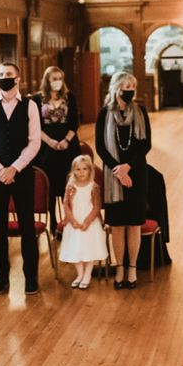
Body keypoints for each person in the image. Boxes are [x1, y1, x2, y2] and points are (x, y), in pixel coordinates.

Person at [0, 61, 41, 296]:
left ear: (18, 78)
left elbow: (35, 142)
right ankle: (2, 276)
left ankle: (31, 277)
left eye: (9, 74)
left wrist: (14, 168)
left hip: (22, 174)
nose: (4, 78)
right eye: (1, 74)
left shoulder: (31, 106)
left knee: (27, 225)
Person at [95, 72, 151, 289]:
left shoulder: (141, 111)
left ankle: (132, 268)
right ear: (115, 88)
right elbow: (101, 147)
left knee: (134, 224)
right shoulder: (104, 114)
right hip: (113, 175)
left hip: (136, 173)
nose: (129, 90)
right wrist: (119, 171)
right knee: (117, 225)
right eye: (125, 86)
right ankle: (119, 268)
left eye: (132, 86)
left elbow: (146, 144)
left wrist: (128, 167)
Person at [33, 66, 80, 234]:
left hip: (68, 145)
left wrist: (66, 140)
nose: (57, 81)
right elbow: (34, 125)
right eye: (54, 78)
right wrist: (50, 141)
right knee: (51, 186)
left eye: (60, 78)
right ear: (47, 80)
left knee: (69, 185)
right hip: (46, 146)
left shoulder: (70, 97)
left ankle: (70, 221)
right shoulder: (37, 99)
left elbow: (75, 122)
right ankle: (53, 223)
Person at [59, 155, 108, 288]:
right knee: (76, 248)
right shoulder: (70, 187)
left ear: (90, 170)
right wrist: (72, 220)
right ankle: (80, 274)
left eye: (84, 169)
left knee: (89, 248)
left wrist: (87, 221)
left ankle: (87, 274)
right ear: (73, 171)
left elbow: (97, 206)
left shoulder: (94, 187)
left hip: (89, 223)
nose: (81, 172)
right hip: (74, 222)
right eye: (78, 169)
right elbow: (65, 205)